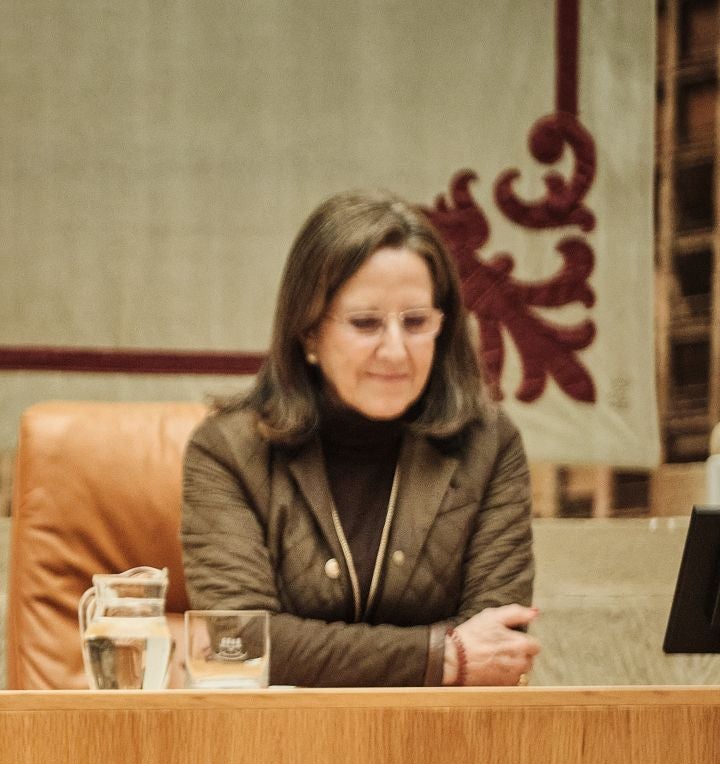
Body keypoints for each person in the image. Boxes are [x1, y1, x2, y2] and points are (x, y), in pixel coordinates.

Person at [180, 190, 539, 687]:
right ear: (308, 333)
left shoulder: (489, 444)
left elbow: (499, 651)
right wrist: (441, 655)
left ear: (443, 326)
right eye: (365, 323)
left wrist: (305, 648)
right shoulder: (228, 450)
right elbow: (235, 643)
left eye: (415, 322)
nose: (395, 350)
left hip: (441, 748)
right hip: (277, 750)